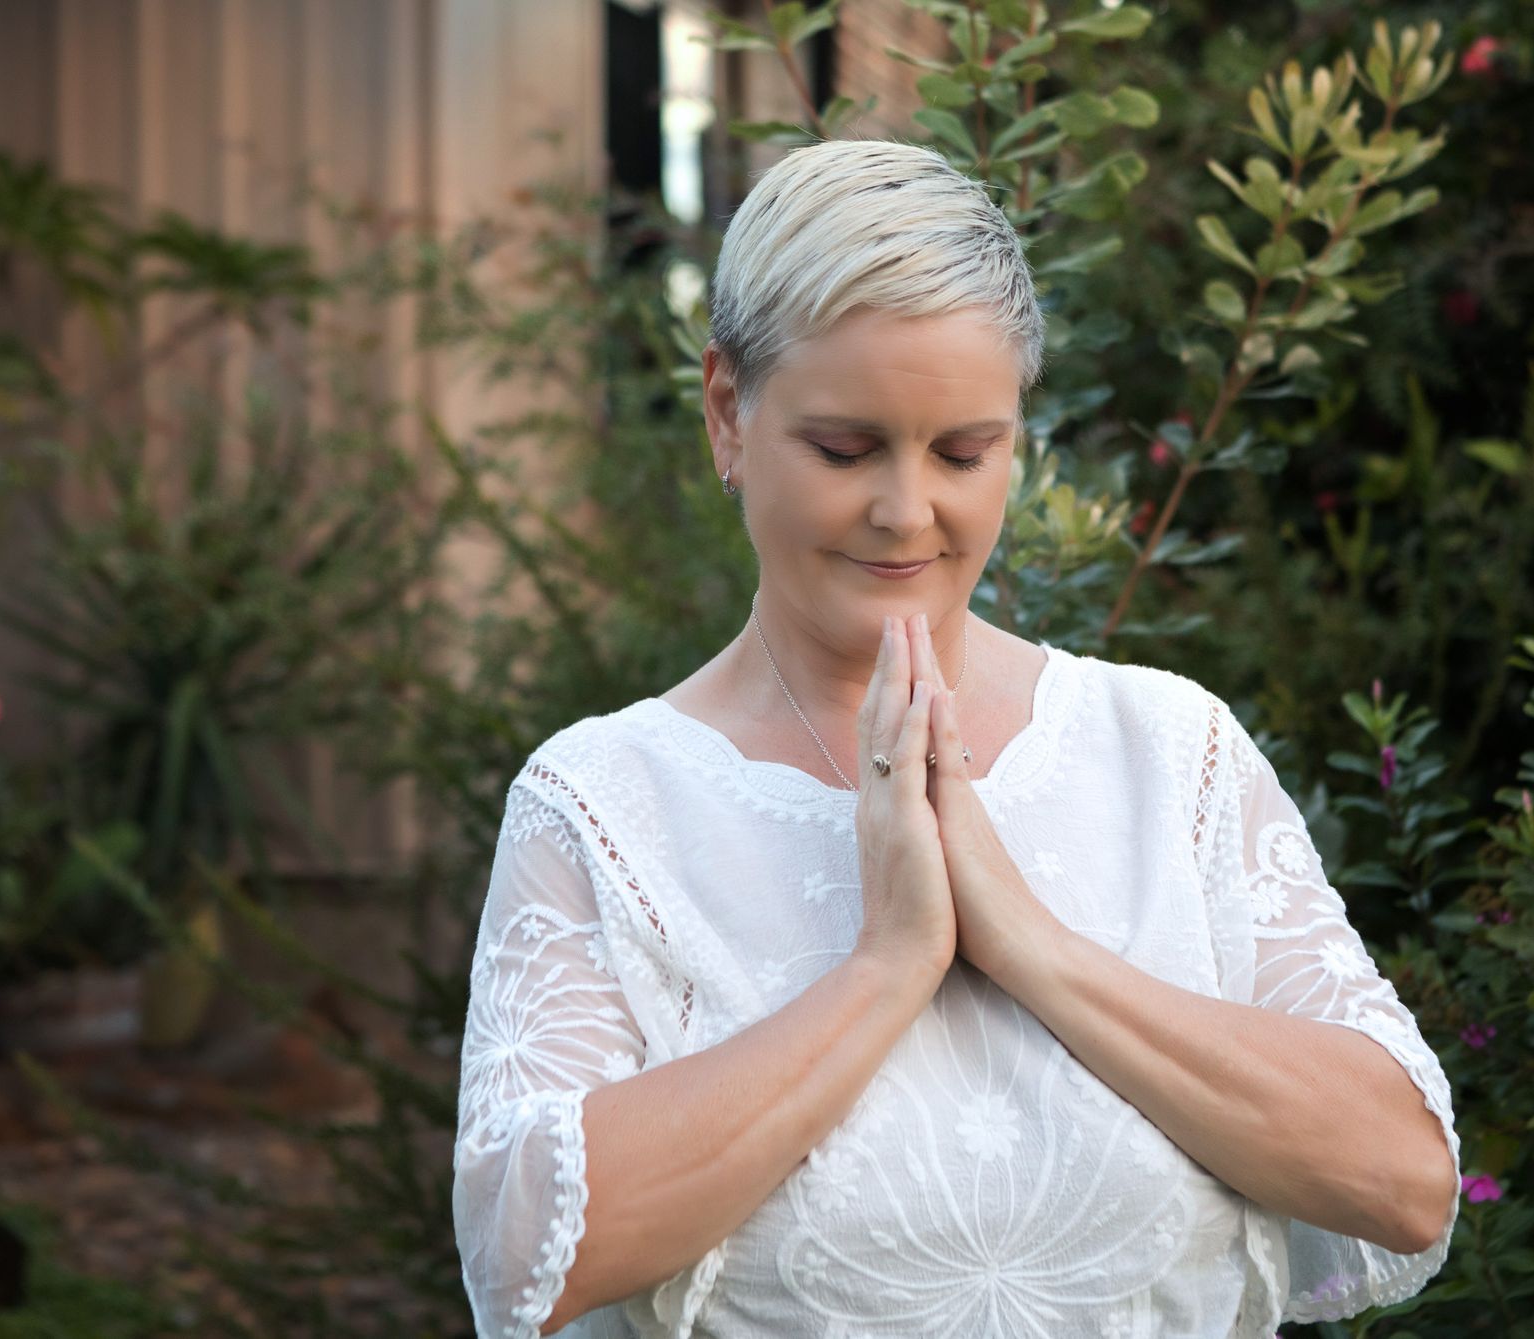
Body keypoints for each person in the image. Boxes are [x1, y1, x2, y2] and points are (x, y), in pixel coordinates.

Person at [451, 137, 1460, 1339]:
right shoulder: (605, 806)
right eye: (846, 447)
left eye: (964, 452)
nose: (906, 509)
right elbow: (530, 1253)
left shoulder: (1167, 750)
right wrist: (889, 963)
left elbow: (1401, 1179)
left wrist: (1026, 940)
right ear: (727, 410)